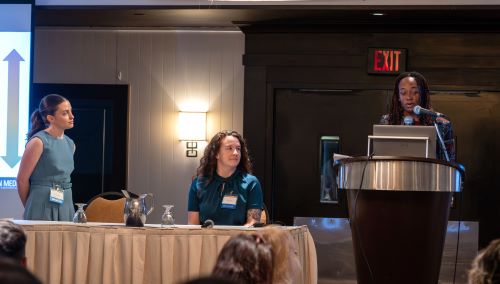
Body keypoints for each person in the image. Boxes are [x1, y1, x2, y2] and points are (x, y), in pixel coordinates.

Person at [17, 94, 76, 221]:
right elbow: (22, 180)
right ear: (51, 118)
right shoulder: (38, 142)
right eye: (65, 113)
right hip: (41, 201)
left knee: (65, 240)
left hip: (66, 200)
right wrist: (30, 207)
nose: (72, 116)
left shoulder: (70, 144)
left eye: (71, 111)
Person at [187, 130, 263, 226]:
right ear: (216, 154)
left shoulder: (251, 183)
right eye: (229, 148)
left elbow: (252, 223)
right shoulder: (198, 183)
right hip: (205, 240)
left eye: (238, 149)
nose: (235, 153)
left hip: (238, 240)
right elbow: (192, 225)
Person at [379, 71, 456, 162]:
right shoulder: (388, 121)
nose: (409, 97)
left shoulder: (441, 124)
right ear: (398, 97)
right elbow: (381, 158)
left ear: (422, 94)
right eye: (403, 93)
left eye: (414, 92)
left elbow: (450, 162)